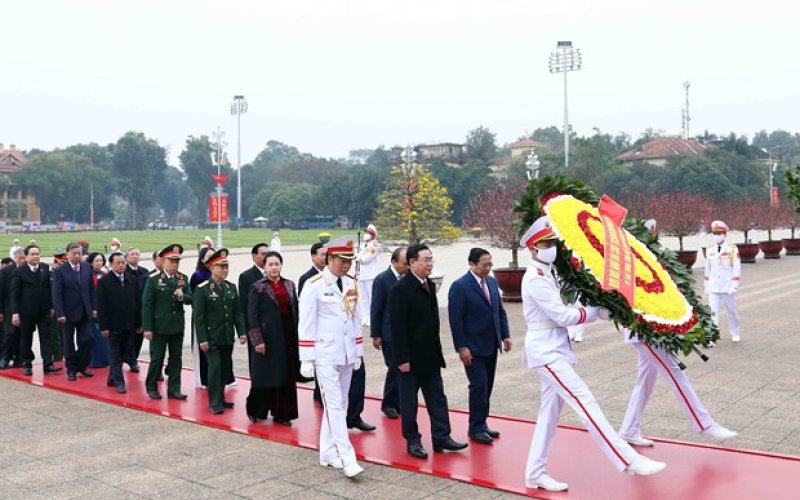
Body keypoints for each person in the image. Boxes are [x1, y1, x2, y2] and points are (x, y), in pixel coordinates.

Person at [520, 216, 665, 492]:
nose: (551, 247)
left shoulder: (547, 272)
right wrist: (595, 313)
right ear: (532, 248)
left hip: (554, 349)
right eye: (545, 243)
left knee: (549, 414)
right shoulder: (534, 279)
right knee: (585, 402)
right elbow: (562, 315)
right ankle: (628, 458)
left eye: (553, 242)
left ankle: (535, 473)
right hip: (546, 352)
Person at [391, 243, 468, 460]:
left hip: (431, 356)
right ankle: (413, 440)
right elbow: (396, 328)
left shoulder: (429, 285)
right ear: (412, 262)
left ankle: (442, 437)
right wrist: (402, 358)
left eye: (431, 259)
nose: (430, 263)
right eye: (425, 260)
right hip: (410, 359)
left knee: (438, 398)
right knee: (409, 402)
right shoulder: (400, 290)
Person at [298, 235, 365, 478]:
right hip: (324, 354)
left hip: (346, 353)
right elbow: (306, 323)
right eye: (342, 260)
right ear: (330, 258)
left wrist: (358, 350)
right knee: (335, 406)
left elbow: (355, 319)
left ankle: (327, 451)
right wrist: (306, 358)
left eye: (349, 260)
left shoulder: (350, 283)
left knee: (340, 404)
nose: (346, 265)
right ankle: (347, 458)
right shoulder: (314, 285)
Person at [448, 247, 512, 445]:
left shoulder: (491, 282)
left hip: (491, 344)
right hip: (472, 348)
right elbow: (455, 320)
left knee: (487, 386)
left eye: (490, 265)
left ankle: (482, 423)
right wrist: (461, 347)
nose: (488, 268)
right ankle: (475, 428)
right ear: (472, 264)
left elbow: (499, 311)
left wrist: (506, 335)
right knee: (478, 386)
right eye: (484, 265)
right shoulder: (460, 286)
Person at [247, 251, 300, 424]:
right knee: (266, 376)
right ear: (264, 267)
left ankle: (282, 414)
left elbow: (296, 311)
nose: (274, 268)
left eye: (277, 264)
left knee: (285, 376)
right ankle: (257, 410)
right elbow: (252, 316)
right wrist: (257, 340)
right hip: (268, 339)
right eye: (270, 264)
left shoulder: (290, 285)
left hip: (288, 338)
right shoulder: (258, 287)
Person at [194, 249, 247, 414]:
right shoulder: (202, 289)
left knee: (224, 368)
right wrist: (202, 339)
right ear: (211, 267)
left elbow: (237, 313)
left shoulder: (231, 287)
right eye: (220, 267)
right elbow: (199, 317)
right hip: (211, 338)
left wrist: (242, 332)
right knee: (215, 368)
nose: (224, 270)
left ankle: (221, 399)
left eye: (226, 267)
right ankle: (214, 402)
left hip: (226, 336)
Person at [142, 244, 193, 400]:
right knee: (157, 358)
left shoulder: (182, 279)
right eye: (171, 261)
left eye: (177, 261)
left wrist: (181, 296)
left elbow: (191, 299)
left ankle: (174, 389)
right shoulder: (153, 280)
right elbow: (147, 305)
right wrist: (148, 328)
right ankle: (151, 387)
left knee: (176, 359)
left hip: (176, 326)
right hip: (159, 327)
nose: (174, 264)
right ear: (163, 261)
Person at [11, 245, 60, 376]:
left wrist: (51, 306)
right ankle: (27, 363)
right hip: (26, 311)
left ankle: (48, 364)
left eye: (37, 254)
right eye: (33, 254)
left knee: (46, 338)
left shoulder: (44, 267)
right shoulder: (19, 271)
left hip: (43, 311)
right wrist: (15, 313)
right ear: (26, 256)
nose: (36, 256)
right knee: (26, 338)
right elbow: (15, 293)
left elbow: (48, 289)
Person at [370, 247, 407, 419]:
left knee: (404, 369)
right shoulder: (382, 280)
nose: (407, 267)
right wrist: (376, 334)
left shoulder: (409, 278)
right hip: (388, 333)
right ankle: (388, 403)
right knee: (394, 367)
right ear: (394, 262)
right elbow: (376, 308)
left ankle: (399, 401)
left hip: (405, 333)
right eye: (404, 264)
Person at [96, 252, 141, 393]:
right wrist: (103, 326)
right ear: (111, 265)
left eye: (123, 262)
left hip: (129, 324)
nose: (121, 265)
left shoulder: (131, 279)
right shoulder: (104, 281)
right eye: (118, 263)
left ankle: (112, 378)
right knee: (114, 354)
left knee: (122, 353)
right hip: (113, 325)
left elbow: (138, 302)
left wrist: (139, 323)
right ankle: (119, 382)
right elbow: (101, 306)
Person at [53, 244, 97, 381]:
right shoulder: (60, 270)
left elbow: (91, 290)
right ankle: (71, 369)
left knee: (88, 339)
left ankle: (81, 365)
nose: (77, 256)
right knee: (68, 343)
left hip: (85, 311)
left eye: (80, 253)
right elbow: (56, 294)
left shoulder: (86, 267)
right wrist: (60, 313)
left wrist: (94, 308)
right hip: (67, 313)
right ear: (68, 254)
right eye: (74, 253)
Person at [704, 220, 741, 342]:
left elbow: (736, 268)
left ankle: (735, 333)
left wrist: (734, 285)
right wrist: (706, 285)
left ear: (725, 234)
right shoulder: (709, 250)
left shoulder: (732, 249)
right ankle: (712, 337)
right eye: (714, 233)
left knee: (732, 312)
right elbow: (708, 269)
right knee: (712, 313)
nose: (716, 235)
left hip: (727, 287)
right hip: (714, 287)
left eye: (719, 233)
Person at [190, 247, 214, 389]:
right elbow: (194, 298)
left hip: (215, 317)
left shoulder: (217, 273)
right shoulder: (197, 275)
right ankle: (202, 379)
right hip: (202, 315)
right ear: (202, 259)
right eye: (208, 256)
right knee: (202, 348)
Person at [124, 247, 149, 371]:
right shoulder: (124, 272)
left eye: (137, 254)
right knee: (129, 337)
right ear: (127, 257)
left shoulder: (145, 272)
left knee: (139, 336)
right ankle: (131, 360)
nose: (134, 256)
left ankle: (134, 358)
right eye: (132, 254)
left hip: (141, 309)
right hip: (128, 309)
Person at [0, 249, 26, 369]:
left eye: (23, 258)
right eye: (20, 258)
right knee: (9, 333)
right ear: (15, 258)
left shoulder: (27, 269)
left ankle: (19, 358)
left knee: (22, 334)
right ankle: (5, 358)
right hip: (8, 308)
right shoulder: (6, 271)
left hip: (24, 308)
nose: (22, 260)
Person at [85, 252, 109, 369]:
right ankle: (93, 361)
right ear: (91, 262)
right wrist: (92, 309)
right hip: (92, 311)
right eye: (97, 261)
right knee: (94, 337)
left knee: (104, 338)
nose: (99, 263)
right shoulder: (87, 275)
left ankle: (105, 360)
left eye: (101, 260)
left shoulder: (105, 274)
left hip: (104, 310)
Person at [357, 224, 380, 327]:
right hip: (362, 275)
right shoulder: (362, 246)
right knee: (363, 299)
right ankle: (364, 317)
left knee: (372, 298)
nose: (365, 235)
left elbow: (366, 259)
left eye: (368, 233)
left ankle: (372, 318)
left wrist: (359, 257)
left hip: (371, 275)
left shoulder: (374, 246)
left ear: (372, 235)